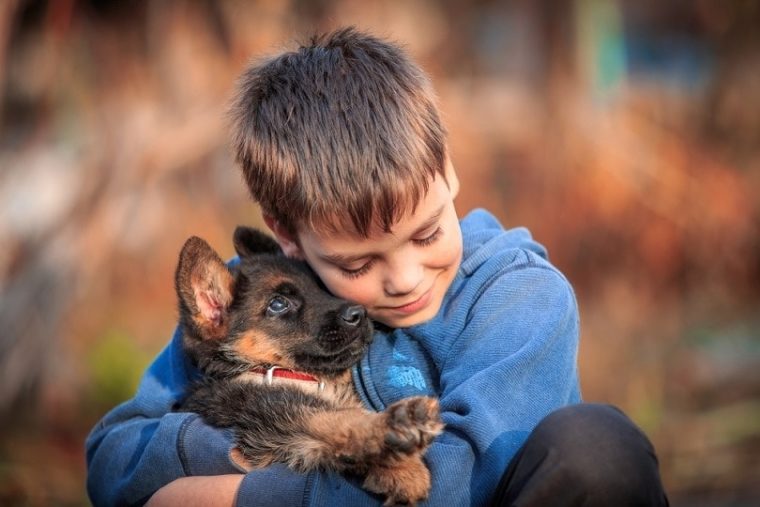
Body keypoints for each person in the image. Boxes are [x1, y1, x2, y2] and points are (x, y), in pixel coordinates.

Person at [85, 27, 669, 506]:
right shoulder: (266, 292)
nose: (406, 278)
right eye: (358, 262)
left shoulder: (520, 297)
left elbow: (448, 483)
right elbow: (114, 457)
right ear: (288, 236)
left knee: (598, 448)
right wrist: (235, 449)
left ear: (448, 169)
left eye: (429, 232)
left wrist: (239, 497)